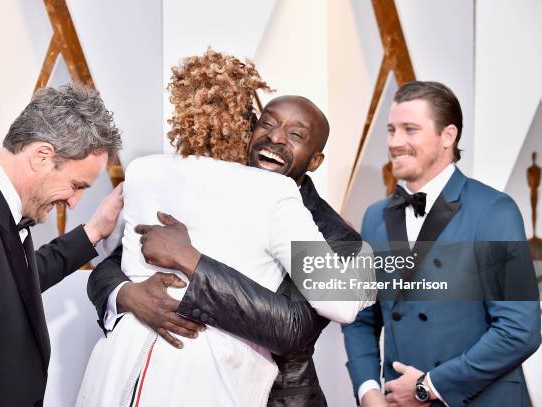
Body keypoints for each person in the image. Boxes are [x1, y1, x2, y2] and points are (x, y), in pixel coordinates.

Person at [76, 50, 373, 407]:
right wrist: (128, 294)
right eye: (267, 123)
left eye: (296, 134)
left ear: (315, 160)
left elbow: (292, 329)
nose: (276, 138)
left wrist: (191, 261)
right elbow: (117, 263)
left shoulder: (337, 235)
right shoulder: (208, 184)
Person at [342, 81, 541, 407]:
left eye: (410, 130)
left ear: (448, 136)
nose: (395, 142)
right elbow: (360, 318)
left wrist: (427, 386)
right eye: (391, 130)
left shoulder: (494, 210)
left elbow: (520, 329)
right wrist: (368, 392)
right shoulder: (374, 217)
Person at [0, 83, 124, 406]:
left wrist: (93, 231)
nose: (75, 202)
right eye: (76, 185)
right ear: (41, 156)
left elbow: (15, 283)